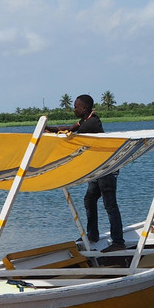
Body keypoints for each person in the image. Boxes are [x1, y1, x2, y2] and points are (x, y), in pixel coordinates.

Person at [45, 94, 125, 252]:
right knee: (90, 199)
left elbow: (72, 137)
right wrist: (50, 129)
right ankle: (92, 234)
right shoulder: (86, 120)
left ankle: (118, 242)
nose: (74, 109)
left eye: (76, 107)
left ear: (85, 108)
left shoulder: (91, 123)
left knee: (110, 205)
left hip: (107, 168)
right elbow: (70, 128)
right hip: (97, 168)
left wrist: (53, 135)